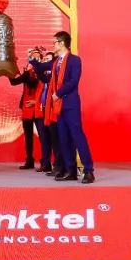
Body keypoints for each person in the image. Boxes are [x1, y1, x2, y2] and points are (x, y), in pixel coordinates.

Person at [31, 31, 95, 184]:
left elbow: (74, 81)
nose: (53, 45)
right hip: (58, 106)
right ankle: (70, 170)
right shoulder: (55, 62)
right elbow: (42, 68)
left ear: (62, 43)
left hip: (70, 104)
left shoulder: (74, 60)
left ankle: (88, 170)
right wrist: (32, 60)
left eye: (55, 42)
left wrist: (58, 93)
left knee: (77, 136)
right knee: (63, 138)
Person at [8, 49, 43, 170]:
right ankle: (29, 160)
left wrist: (36, 101)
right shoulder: (27, 73)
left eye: (37, 57)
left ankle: (45, 161)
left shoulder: (43, 71)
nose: (34, 59)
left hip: (39, 107)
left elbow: (33, 84)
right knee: (28, 136)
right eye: (32, 57)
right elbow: (14, 82)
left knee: (43, 135)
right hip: (26, 108)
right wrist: (9, 69)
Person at [37, 52, 60, 175]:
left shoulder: (54, 75)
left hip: (53, 111)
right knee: (44, 140)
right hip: (43, 110)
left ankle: (57, 165)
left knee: (55, 140)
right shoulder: (45, 76)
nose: (45, 61)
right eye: (44, 59)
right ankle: (46, 164)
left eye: (48, 59)